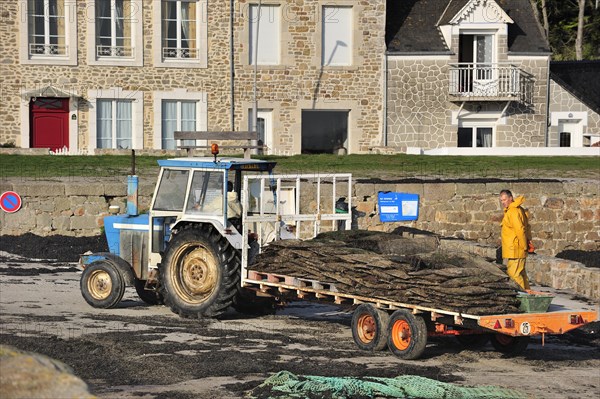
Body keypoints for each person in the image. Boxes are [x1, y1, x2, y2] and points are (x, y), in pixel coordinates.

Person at [499, 189, 533, 290]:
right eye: (501, 200)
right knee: (521, 273)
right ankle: (527, 295)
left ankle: (521, 296)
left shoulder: (513, 211)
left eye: (505, 199)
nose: (503, 202)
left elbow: (520, 230)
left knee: (514, 274)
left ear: (511, 198)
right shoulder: (515, 209)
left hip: (516, 249)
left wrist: (524, 246)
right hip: (515, 248)